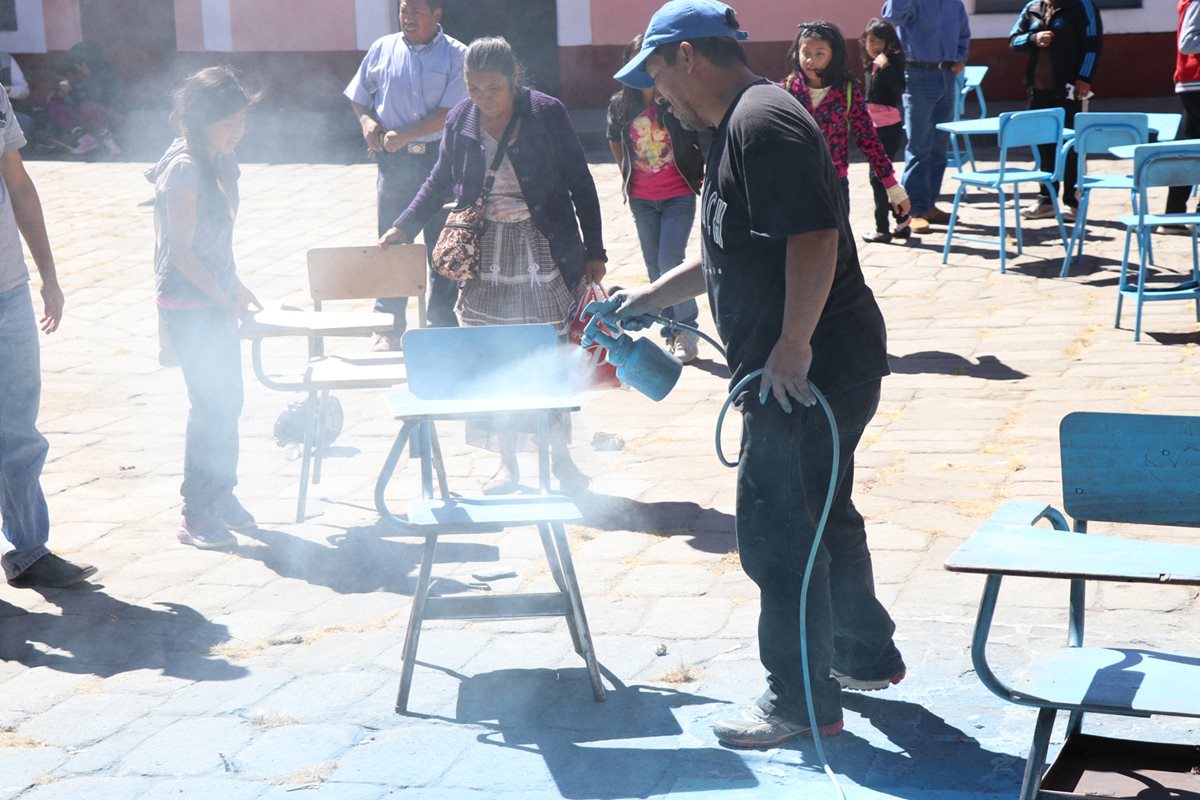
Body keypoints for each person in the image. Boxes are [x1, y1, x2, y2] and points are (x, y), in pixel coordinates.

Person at [612, 0, 905, 748]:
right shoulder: (739, 123)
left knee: (778, 529)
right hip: (819, 362)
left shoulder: (759, 122)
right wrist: (650, 299)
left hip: (808, 369)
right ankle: (862, 655)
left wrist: (791, 347)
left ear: (684, 56)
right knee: (825, 509)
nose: (657, 94)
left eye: (656, 74)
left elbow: (814, 233)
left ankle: (800, 701)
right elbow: (728, 251)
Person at [380, 37, 607, 495]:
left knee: (549, 352)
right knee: (495, 356)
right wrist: (403, 227)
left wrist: (595, 250)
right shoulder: (461, 119)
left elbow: (581, 183)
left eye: (492, 88)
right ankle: (508, 466)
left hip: (542, 248)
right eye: (473, 87)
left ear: (514, 79)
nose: (482, 98)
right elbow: (439, 178)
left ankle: (561, 461)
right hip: (484, 256)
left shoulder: (546, 114)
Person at [146, 66, 261, 550]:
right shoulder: (186, 169)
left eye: (241, 121)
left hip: (215, 297)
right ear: (198, 120)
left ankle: (222, 493)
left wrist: (236, 286)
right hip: (189, 303)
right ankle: (196, 511)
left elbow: (220, 241)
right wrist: (221, 296)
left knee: (230, 401)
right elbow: (182, 252)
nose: (236, 132)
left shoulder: (221, 158)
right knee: (209, 406)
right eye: (227, 123)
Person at [0, 84, 97, 588]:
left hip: (7, 289)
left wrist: (48, 275)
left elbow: (18, 186)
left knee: (18, 430)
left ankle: (28, 551)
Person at [345, 0, 467, 351]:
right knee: (392, 240)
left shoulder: (457, 55)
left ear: (437, 14)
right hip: (394, 164)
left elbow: (451, 112)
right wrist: (367, 122)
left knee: (443, 244)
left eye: (416, 10)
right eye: (403, 10)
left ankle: (441, 324)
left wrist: (408, 134)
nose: (408, 17)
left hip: (441, 161)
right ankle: (388, 325)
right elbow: (359, 96)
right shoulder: (383, 48)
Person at [607, 34, 704, 363]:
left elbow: (695, 133)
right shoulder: (620, 106)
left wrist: (698, 169)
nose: (645, 66)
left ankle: (687, 331)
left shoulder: (673, 98)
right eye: (637, 59)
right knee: (654, 269)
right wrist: (627, 175)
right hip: (642, 199)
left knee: (669, 263)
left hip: (678, 194)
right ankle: (670, 332)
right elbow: (615, 142)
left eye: (649, 59)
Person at [781, 21, 910, 225]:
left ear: (834, 55)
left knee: (837, 248)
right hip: (796, 184)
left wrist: (892, 186)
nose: (810, 60)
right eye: (805, 52)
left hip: (834, 184)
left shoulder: (846, 91)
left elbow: (868, 138)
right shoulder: (787, 90)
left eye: (819, 53)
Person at [882, 0, 970, 234]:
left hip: (947, 77)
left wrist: (961, 56)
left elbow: (963, 32)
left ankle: (928, 205)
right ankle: (913, 211)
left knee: (940, 147)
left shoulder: (954, 3)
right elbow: (892, 16)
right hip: (918, 75)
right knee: (920, 147)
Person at [1010, 0, 1102, 221]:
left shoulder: (1082, 6)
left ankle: (1072, 201)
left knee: (1071, 146)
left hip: (1069, 89)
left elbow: (1093, 44)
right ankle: (1045, 200)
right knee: (1044, 145)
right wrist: (1033, 39)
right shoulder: (1033, 8)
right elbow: (1014, 41)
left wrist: (1084, 78)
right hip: (1038, 89)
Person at [861, 19, 911, 243]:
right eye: (869, 40)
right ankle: (902, 221)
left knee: (878, 177)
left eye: (879, 41)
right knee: (884, 177)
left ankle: (882, 229)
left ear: (889, 43)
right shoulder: (868, 65)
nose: (873, 45)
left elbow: (899, 87)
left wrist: (886, 66)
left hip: (888, 129)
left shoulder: (892, 62)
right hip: (872, 128)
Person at [1162, 0, 1200, 232]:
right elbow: (1187, 43)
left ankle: (1172, 216)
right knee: (1188, 149)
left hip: (1192, 84)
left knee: (1186, 148)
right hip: (1195, 82)